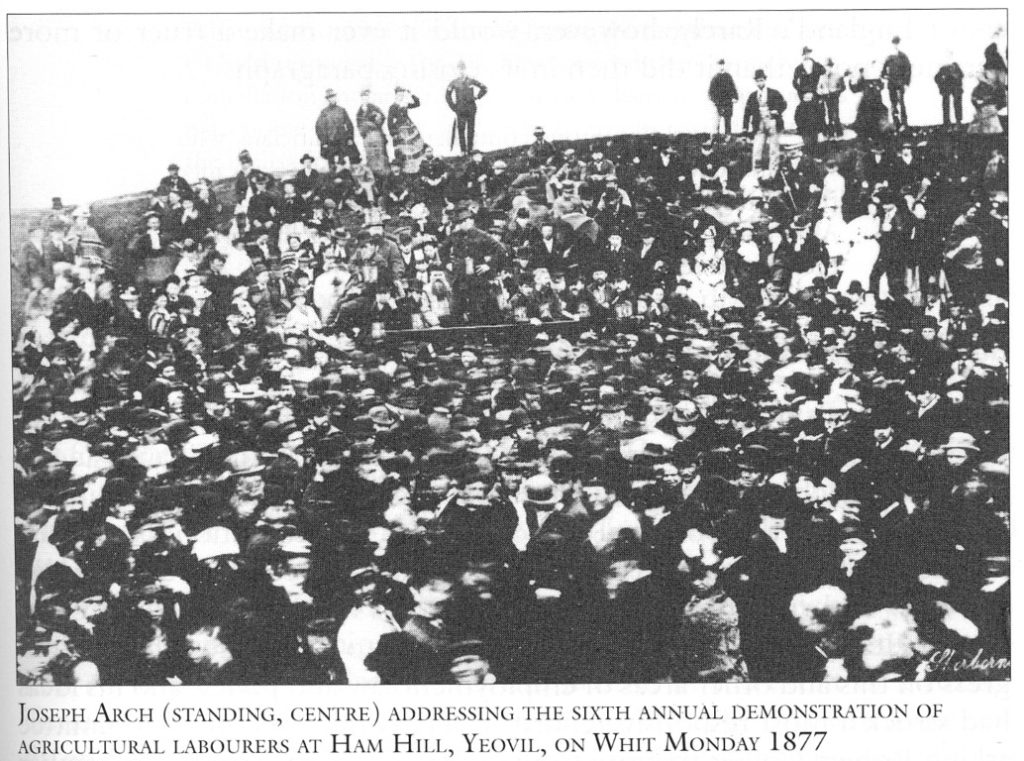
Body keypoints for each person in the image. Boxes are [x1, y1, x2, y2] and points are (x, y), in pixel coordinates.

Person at [743, 69, 787, 176]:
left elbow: (784, 103)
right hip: (759, 126)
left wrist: (777, 110)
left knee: (774, 150)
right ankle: (756, 173)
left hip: (772, 124)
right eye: (758, 81)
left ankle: (773, 173)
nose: (760, 83)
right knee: (757, 150)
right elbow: (747, 112)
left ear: (765, 80)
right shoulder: (753, 96)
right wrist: (744, 129)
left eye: (761, 80)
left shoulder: (774, 93)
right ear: (755, 82)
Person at [445, 60, 487, 155]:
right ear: (457, 70)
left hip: (471, 108)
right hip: (460, 110)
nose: (461, 71)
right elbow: (447, 96)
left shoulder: (471, 81)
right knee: (461, 129)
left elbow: (484, 88)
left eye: (463, 69)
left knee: (471, 129)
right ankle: (463, 151)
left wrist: (477, 96)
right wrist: (454, 107)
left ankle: (470, 149)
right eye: (459, 69)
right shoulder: (454, 83)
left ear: (465, 69)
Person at [315, 88, 359, 169]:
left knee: (343, 161)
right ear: (327, 99)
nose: (332, 99)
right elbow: (318, 127)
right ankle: (333, 176)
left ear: (336, 97)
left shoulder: (342, 110)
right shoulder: (324, 113)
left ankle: (344, 176)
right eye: (330, 97)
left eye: (333, 97)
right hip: (330, 141)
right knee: (331, 163)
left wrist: (350, 138)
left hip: (342, 140)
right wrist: (324, 141)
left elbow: (349, 125)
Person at [389, 86, 427, 174]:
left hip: (411, 129)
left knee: (416, 147)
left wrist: (411, 94)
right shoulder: (393, 107)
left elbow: (417, 103)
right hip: (401, 132)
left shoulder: (404, 104)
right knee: (405, 151)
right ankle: (407, 171)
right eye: (399, 95)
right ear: (395, 95)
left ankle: (418, 168)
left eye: (402, 94)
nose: (400, 96)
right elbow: (389, 122)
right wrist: (394, 134)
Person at [356, 88, 389, 179]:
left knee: (381, 157)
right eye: (363, 97)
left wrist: (375, 123)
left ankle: (385, 179)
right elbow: (359, 125)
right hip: (368, 139)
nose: (365, 99)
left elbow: (382, 117)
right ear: (361, 98)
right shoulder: (359, 112)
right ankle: (375, 179)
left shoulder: (374, 108)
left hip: (377, 137)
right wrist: (364, 132)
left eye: (366, 97)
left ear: (368, 98)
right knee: (371, 158)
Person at [882, 36, 912, 131]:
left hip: (900, 83)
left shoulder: (903, 57)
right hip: (892, 84)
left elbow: (908, 70)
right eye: (894, 43)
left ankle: (904, 123)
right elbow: (883, 73)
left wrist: (906, 83)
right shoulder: (889, 58)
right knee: (893, 104)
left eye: (897, 43)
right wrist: (887, 76)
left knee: (901, 103)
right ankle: (896, 123)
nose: (895, 45)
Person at [708, 59, 740, 135]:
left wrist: (735, 97)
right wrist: (714, 101)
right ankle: (715, 139)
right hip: (718, 103)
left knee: (728, 121)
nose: (721, 66)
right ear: (717, 66)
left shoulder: (728, 77)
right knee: (716, 122)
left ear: (724, 65)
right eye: (719, 65)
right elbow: (710, 92)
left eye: (722, 64)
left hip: (728, 103)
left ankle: (728, 138)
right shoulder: (715, 78)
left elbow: (733, 88)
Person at [817, 58, 846, 139]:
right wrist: (821, 91)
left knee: (835, 115)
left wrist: (836, 91)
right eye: (826, 66)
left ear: (832, 66)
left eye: (829, 66)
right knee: (829, 116)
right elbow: (818, 88)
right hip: (826, 98)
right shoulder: (822, 77)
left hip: (834, 97)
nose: (827, 68)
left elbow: (843, 87)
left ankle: (839, 133)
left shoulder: (837, 76)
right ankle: (831, 134)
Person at [934, 53, 965, 127]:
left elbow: (961, 77)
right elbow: (936, 78)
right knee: (946, 103)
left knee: (957, 102)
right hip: (946, 87)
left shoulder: (958, 69)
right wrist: (941, 85)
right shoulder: (943, 69)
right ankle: (947, 121)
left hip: (956, 87)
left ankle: (958, 121)